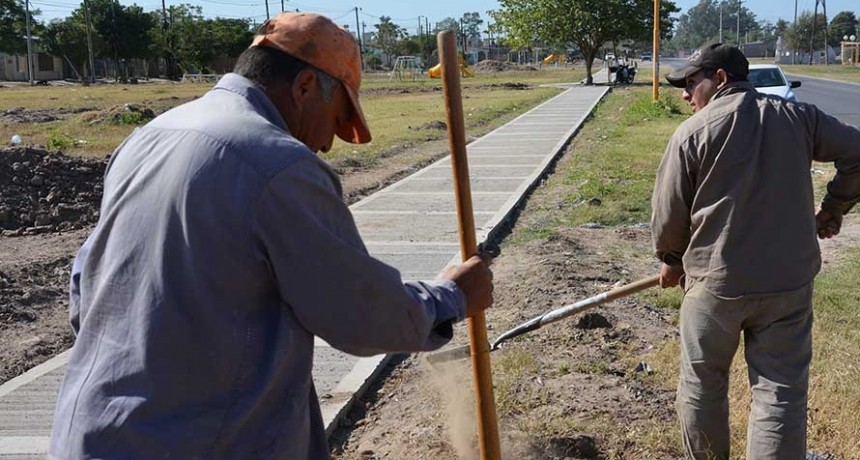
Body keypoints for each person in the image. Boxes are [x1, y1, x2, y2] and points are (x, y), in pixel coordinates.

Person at [49, 12, 494, 460]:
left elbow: (85, 286)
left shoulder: (150, 137)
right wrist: (451, 297)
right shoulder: (277, 164)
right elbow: (358, 313)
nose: (329, 143)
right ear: (305, 87)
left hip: (92, 433)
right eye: (337, 117)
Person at [651, 43, 860, 460]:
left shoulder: (691, 133)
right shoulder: (799, 118)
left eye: (691, 82)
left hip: (715, 286)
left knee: (702, 386)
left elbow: (669, 214)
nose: (685, 94)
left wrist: (672, 260)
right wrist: (834, 208)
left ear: (720, 78)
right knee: (780, 393)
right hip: (787, 285)